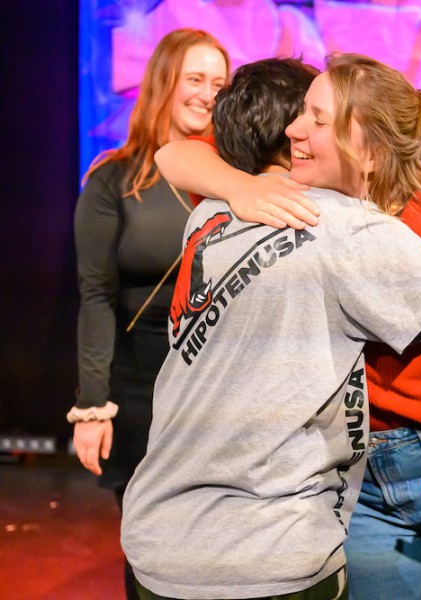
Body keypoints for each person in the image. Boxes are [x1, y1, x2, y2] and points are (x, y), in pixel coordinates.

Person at [122, 54, 421, 600]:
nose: (295, 129)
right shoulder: (287, 207)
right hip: (283, 538)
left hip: (166, 535)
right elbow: (176, 153)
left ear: (371, 149)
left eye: (317, 118)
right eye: (299, 115)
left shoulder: (221, 211)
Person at [68, 28, 229, 600]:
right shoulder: (113, 177)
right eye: (195, 79)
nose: (207, 94)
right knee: (153, 548)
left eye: (219, 84)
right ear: (163, 82)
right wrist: (92, 407)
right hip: (141, 385)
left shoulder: (235, 179)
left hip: (220, 382)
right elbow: (95, 296)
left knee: (220, 549)